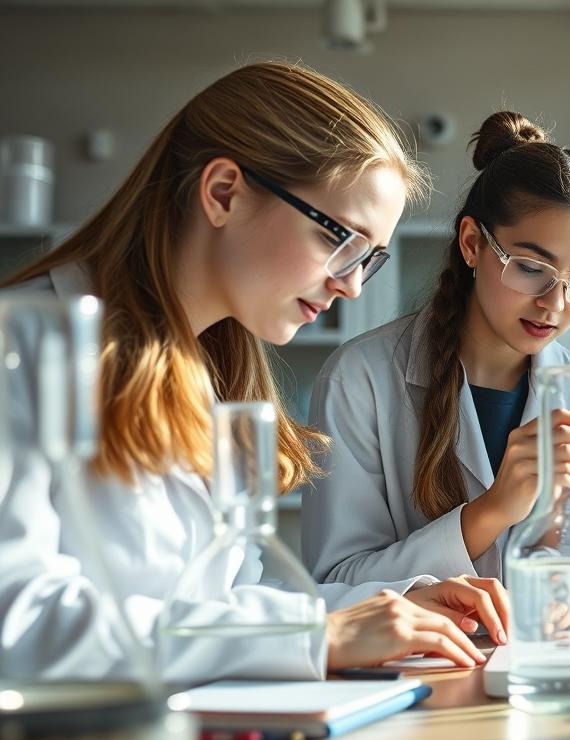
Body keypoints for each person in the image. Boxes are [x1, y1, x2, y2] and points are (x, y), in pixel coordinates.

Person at [0, 62, 508, 684]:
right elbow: (16, 621)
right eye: (341, 241)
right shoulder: (17, 345)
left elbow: (223, 608)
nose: (351, 286)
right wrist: (311, 637)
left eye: (369, 260)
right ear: (223, 193)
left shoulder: (213, 372)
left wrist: (390, 607)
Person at [302, 112, 570, 588]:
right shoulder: (360, 378)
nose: (555, 304)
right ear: (472, 243)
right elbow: (337, 583)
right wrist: (492, 511)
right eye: (530, 267)